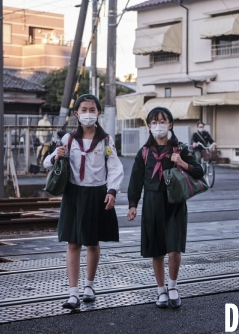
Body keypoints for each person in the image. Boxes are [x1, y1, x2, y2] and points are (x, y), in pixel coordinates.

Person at [43, 94, 123, 310]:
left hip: (97, 194)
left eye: (92, 109)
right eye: (84, 110)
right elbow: (47, 163)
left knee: (93, 242)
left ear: (98, 113)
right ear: (77, 114)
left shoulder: (106, 140)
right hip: (74, 194)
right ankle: (73, 293)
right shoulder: (68, 139)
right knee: (72, 242)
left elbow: (115, 166)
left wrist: (112, 190)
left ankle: (89, 286)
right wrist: (55, 156)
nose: (88, 114)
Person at [127, 107, 204, 309]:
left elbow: (199, 171)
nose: (159, 126)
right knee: (157, 249)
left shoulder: (180, 149)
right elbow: (135, 181)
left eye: (163, 121)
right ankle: (160, 290)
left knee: (174, 248)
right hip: (152, 202)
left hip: (175, 203)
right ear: (149, 126)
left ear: (170, 124)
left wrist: (182, 163)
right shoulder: (144, 152)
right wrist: (132, 205)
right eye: (154, 122)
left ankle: (173, 287)